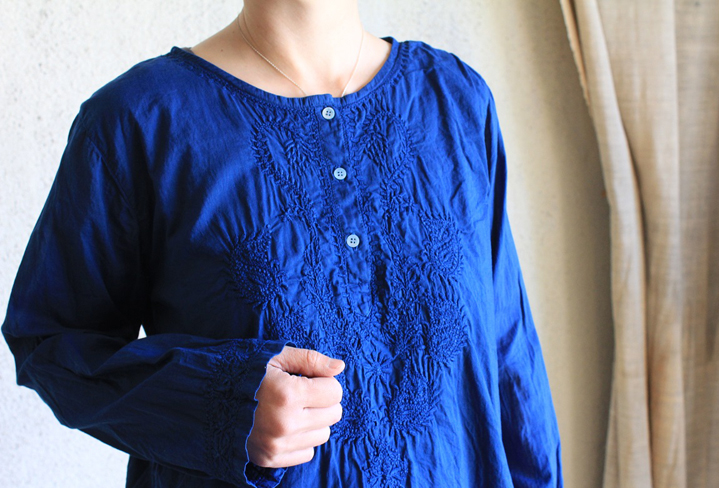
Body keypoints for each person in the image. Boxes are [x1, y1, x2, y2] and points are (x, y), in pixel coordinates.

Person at [2, 1, 563, 487]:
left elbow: (509, 358)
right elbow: (50, 341)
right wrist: (219, 401)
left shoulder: (456, 100)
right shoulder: (139, 120)